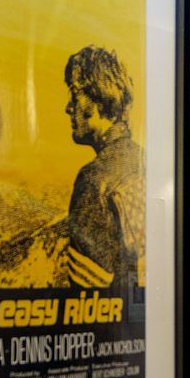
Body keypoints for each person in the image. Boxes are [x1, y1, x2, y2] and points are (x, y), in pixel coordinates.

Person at [59, 45, 145, 293]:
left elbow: (85, 296)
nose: (69, 108)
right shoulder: (146, 160)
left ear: (98, 99)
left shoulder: (93, 180)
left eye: (75, 95)